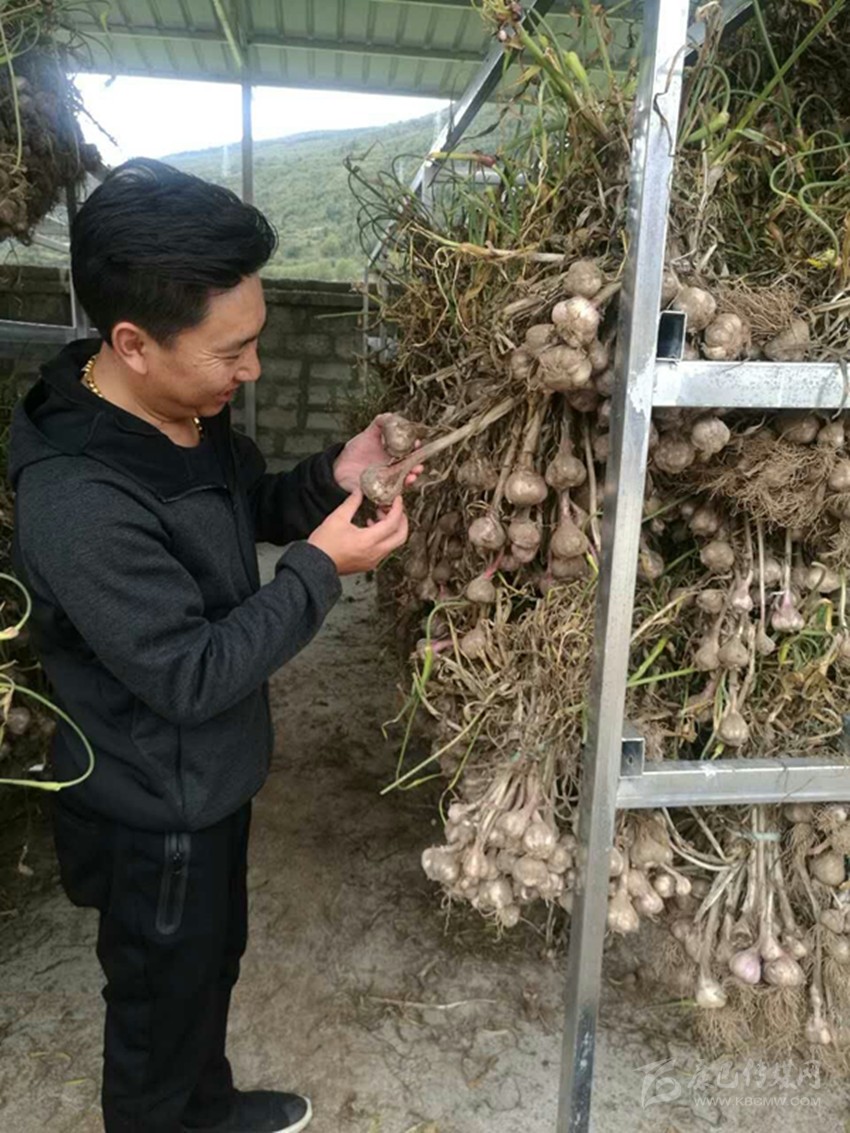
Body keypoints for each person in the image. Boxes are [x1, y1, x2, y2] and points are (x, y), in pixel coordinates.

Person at [9, 158, 415, 1133]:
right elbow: (190, 673)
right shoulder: (79, 498)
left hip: (208, 784)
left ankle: (209, 1108)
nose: (254, 369)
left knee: (208, 963)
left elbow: (247, 508)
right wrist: (320, 569)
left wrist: (333, 473)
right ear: (133, 343)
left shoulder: (185, 417)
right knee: (157, 1004)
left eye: (257, 340)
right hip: (151, 807)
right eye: (232, 350)